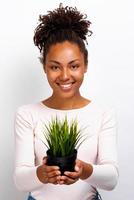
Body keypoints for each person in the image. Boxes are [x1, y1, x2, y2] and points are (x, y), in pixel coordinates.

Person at [14, 4, 119, 200]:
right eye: (55, 67)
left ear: (85, 65)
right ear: (44, 67)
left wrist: (84, 170)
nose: (64, 76)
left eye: (74, 66)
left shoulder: (103, 113)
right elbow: (20, 180)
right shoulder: (27, 114)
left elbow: (112, 179)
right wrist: (42, 173)